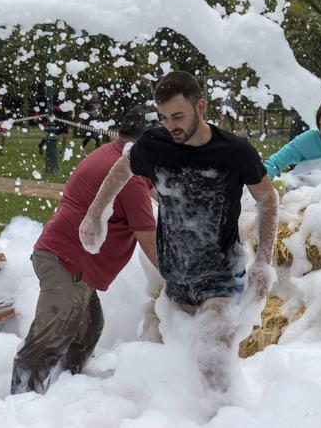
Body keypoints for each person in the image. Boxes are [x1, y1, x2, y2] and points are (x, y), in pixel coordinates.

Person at [79, 71, 278, 395]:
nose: (171, 125)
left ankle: (225, 415)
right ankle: (202, 411)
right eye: (163, 117)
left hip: (223, 272)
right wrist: (95, 214)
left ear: (201, 107)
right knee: (194, 358)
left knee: (212, 350)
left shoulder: (234, 151)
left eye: (178, 116)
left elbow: (268, 198)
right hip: (179, 275)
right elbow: (121, 170)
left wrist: (264, 261)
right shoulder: (154, 146)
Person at [10, 106, 159, 395]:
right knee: (49, 339)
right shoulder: (128, 178)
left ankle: (66, 388)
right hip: (66, 261)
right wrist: (176, 279)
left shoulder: (116, 155)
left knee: (89, 327)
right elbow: (149, 241)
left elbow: (154, 192)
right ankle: (20, 402)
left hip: (66, 256)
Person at [38, 89, 73, 154]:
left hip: (65, 119)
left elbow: (72, 106)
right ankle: (42, 144)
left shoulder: (67, 99)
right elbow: (50, 106)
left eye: (64, 91)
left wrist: (73, 113)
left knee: (65, 136)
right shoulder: (55, 98)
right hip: (57, 119)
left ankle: (63, 150)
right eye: (61, 91)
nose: (63, 92)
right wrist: (58, 108)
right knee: (53, 135)